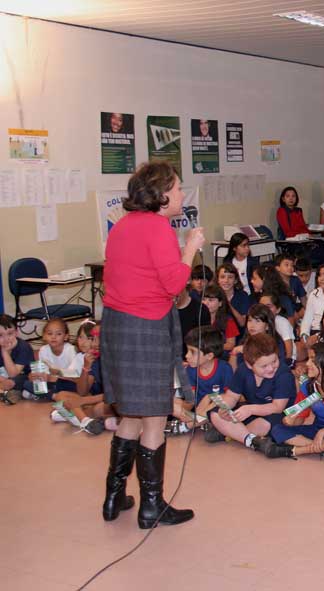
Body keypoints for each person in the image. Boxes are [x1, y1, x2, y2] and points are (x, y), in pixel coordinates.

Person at [99, 160, 203, 528]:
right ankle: (151, 507)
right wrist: (190, 248)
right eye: (176, 188)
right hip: (146, 327)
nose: (180, 193)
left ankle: (113, 498)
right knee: (155, 417)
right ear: (160, 196)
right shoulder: (159, 228)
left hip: (116, 325)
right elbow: (175, 285)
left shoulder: (122, 226)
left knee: (130, 414)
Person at [261, 343, 324, 460]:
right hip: (316, 429)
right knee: (277, 429)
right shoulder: (307, 387)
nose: (307, 364)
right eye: (308, 359)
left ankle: (294, 451)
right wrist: (291, 420)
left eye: (312, 359)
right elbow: (300, 418)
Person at [204, 333, 294, 453]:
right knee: (215, 412)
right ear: (249, 364)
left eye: (274, 361)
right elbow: (231, 396)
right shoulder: (243, 370)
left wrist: (250, 409)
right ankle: (250, 439)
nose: (271, 368)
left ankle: (229, 434)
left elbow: (277, 407)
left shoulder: (283, 374)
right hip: (250, 411)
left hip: (275, 414)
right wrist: (225, 408)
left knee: (265, 424)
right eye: (264, 366)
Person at [180, 326, 233, 431]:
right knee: (169, 401)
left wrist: (209, 397)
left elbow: (230, 399)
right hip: (197, 411)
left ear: (209, 356)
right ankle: (200, 422)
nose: (186, 355)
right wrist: (184, 411)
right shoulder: (190, 370)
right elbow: (190, 402)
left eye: (192, 352)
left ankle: (188, 425)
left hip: (218, 411)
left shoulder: (224, 368)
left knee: (218, 398)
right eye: (187, 350)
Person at [0, 313, 34, 398]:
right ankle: (8, 392)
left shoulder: (23, 347)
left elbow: (13, 374)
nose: (6, 339)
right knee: (7, 382)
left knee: (12, 382)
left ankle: (14, 392)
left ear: (16, 333)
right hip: (4, 377)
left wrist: (4, 352)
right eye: (0, 335)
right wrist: (2, 380)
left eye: (10, 333)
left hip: (24, 376)